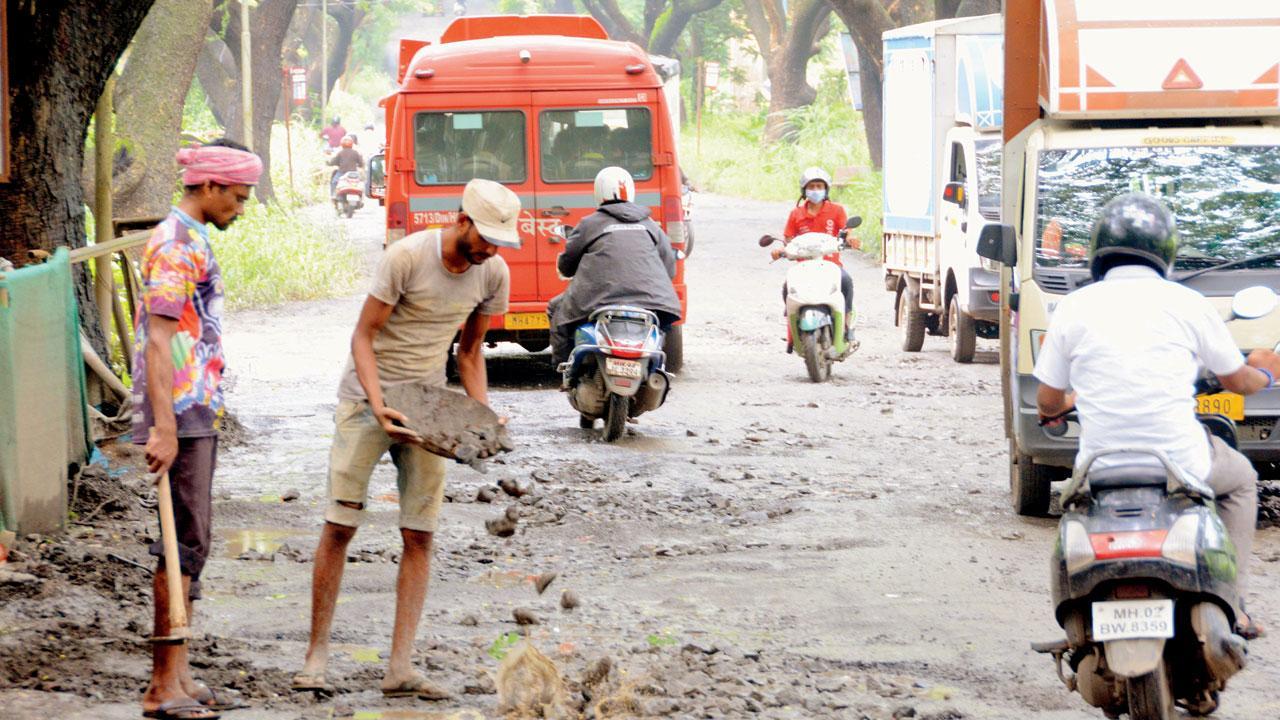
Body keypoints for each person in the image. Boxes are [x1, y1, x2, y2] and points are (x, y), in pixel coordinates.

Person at [293, 179, 518, 699]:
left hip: (430, 408)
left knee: (420, 534)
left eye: (499, 242)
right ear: (461, 220)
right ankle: (316, 656)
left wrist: (481, 417)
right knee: (340, 524)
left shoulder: (493, 272)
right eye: (485, 237)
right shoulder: (407, 258)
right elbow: (362, 336)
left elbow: (470, 353)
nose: (490, 250)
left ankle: (400, 667)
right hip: (365, 400)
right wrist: (378, 406)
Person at [1034, 192, 1274, 639]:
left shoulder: (1072, 307)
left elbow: (1048, 401)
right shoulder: (1187, 303)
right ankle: (1235, 604)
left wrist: (1066, 402)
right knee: (1240, 477)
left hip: (1098, 466)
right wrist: (1264, 370)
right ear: (1166, 251)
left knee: (1073, 515)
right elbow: (1238, 381)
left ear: (1098, 249)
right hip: (1183, 462)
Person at [134, 139, 261, 720]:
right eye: (236, 196)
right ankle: (162, 684)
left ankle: (179, 673)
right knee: (183, 540)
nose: (240, 206)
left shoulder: (192, 238)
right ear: (208, 187)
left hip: (191, 406)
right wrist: (164, 427)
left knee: (194, 540)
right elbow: (158, 339)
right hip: (178, 410)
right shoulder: (178, 244)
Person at [548, 166, 681, 366]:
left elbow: (567, 266)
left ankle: (564, 367)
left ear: (598, 193)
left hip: (597, 299)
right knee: (663, 326)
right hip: (653, 302)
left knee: (556, 307)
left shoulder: (589, 224)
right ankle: (658, 368)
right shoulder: (651, 226)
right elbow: (669, 269)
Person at [772, 166, 859, 339]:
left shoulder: (837, 211)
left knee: (846, 282)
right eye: (812, 187)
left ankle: (846, 325)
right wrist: (781, 250)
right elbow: (788, 240)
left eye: (820, 186)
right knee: (786, 288)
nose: (816, 190)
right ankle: (792, 326)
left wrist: (850, 239)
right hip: (804, 268)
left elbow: (846, 231)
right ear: (804, 190)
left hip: (830, 266)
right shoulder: (796, 214)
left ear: (826, 189)